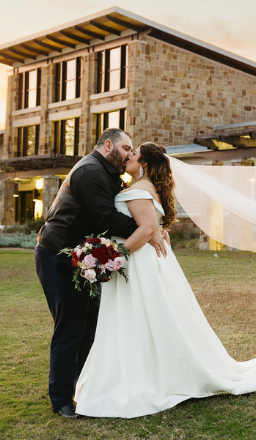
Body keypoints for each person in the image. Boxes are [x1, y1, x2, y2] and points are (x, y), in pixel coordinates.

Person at [74, 142, 256, 418]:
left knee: (135, 316)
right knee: (143, 317)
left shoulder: (137, 191)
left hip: (136, 261)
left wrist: (114, 256)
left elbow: (147, 228)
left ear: (144, 163)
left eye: (133, 154)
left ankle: (145, 375)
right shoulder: (150, 190)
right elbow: (152, 226)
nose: (128, 157)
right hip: (145, 260)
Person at [35, 129, 168, 419]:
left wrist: (152, 227)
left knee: (90, 328)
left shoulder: (109, 174)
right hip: (57, 256)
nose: (129, 154)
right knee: (70, 329)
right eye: (125, 148)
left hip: (83, 259)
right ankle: (61, 399)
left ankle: (86, 390)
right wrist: (149, 229)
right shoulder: (90, 172)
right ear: (108, 145)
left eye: (132, 150)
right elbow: (106, 219)